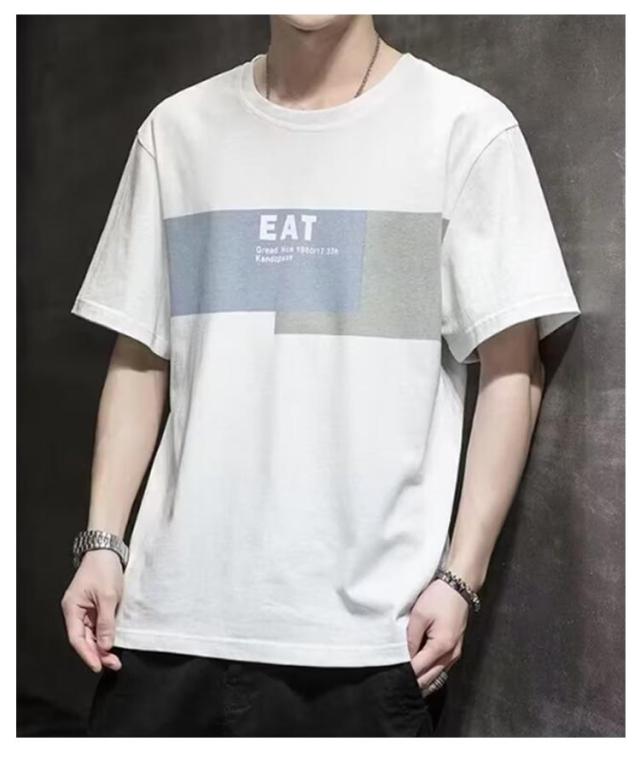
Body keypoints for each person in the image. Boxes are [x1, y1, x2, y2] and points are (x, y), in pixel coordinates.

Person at [61, 14, 581, 737]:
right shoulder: (176, 133)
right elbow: (142, 357)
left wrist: (462, 577)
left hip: (369, 645)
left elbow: (513, 372)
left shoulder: (464, 130)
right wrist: (101, 545)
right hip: (162, 628)